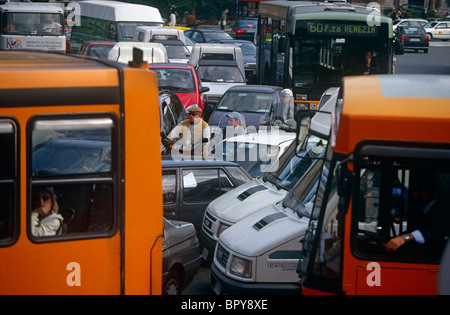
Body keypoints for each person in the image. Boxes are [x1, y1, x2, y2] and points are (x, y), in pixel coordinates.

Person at [385, 173, 440, 253]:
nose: (413, 194)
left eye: (414, 190)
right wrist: (394, 240)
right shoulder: (423, 210)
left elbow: (431, 232)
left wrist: (405, 238)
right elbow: (413, 230)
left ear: (423, 192)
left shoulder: (438, 211)